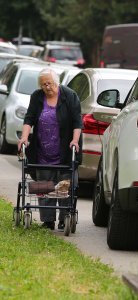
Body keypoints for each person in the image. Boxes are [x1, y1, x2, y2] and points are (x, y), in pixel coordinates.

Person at [17, 68, 83, 230]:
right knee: (45, 187)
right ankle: (47, 221)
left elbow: (77, 121)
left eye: (50, 83)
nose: (47, 87)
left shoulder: (69, 96)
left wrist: (75, 140)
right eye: (43, 84)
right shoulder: (37, 96)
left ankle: (64, 217)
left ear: (57, 82)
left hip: (65, 151)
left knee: (64, 186)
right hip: (42, 152)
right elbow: (29, 118)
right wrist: (24, 137)